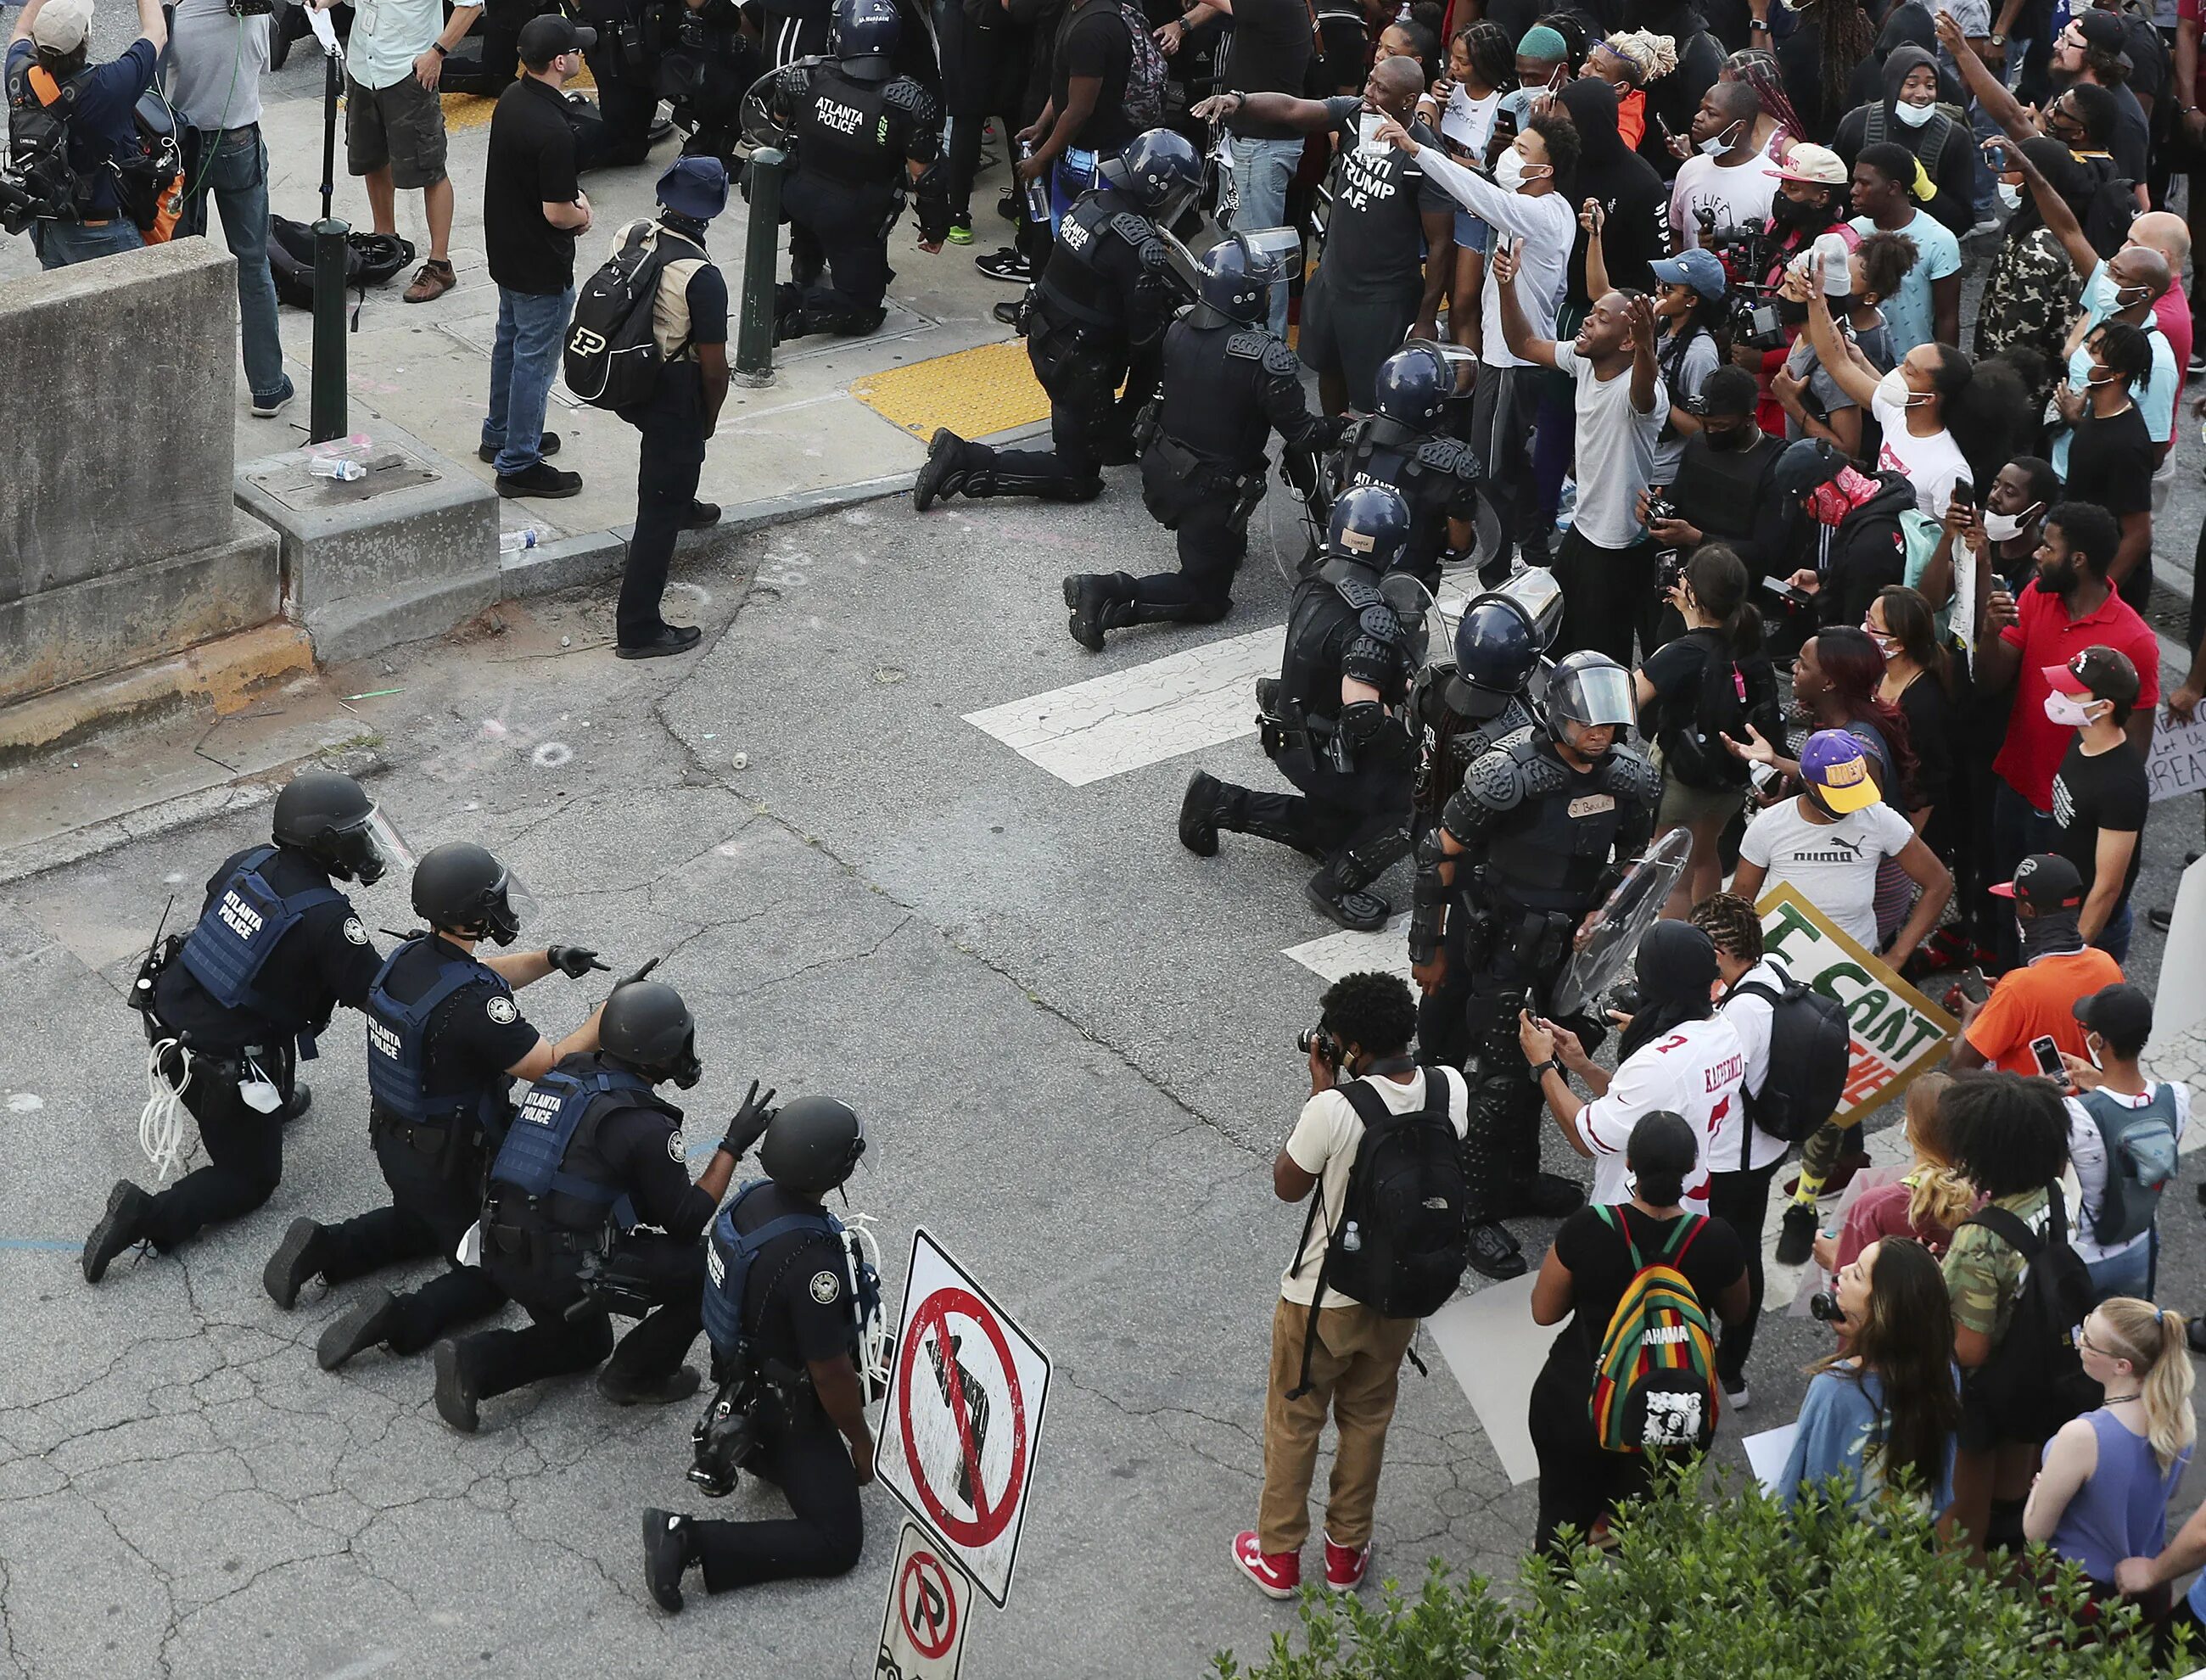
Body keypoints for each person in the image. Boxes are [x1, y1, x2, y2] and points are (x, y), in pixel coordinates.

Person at [268, 843, 608, 1369]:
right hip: (451, 1162)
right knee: (489, 1276)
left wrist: (549, 960)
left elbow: (482, 971)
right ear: (471, 914)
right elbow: (548, 1063)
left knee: (424, 1222)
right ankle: (400, 1318)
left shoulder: (409, 959)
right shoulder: (473, 1007)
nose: (503, 909)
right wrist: (604, 1019)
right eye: (493, 902)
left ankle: (325, 1248)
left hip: (396, 1142)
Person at [81, 773, 395, 1283]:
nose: (363, 843)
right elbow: (376, 994)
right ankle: (147, 1215)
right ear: (325, 843)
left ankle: (270, 1105)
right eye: (352, 832)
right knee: (249, 1180)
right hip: (216, 1070)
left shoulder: (246, 862)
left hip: (169, 1026)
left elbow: (245, 956)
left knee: (275, 1003)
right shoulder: (330, 919)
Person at [1412, 652, 1660, 1277]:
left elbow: (1636, 859)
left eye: (1609, 723)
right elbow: (1438, 853)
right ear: (1557, 717)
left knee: (1543, 1068)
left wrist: (1605, 911)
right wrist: (1429, 948)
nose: (1600, 734)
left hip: (1570, 952)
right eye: (1588, 723)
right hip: (1503, 945)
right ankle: (1468, 1211)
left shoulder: (1630, 777)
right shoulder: (1505, 775)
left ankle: (1517, 1181)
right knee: (1498, 1081)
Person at [432, 980, 767, 1431]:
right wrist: (732, 1145)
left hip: (502, 1245)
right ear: (657, 1057)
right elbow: (685, 1220)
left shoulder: (569, 1071)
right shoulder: (645, 1125)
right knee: (713, 1266)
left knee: (586, 1345)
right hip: (558, 1264)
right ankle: (638, 1375)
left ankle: (473, 1362)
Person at [1230, 972, 1470, 1598]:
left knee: (1294, 1420)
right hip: (1399, 1294)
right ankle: (1345, 1554)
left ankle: (1278, 1556)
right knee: (1366, 1421)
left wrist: (1320, 1092)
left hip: (1322, 1299)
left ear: (1350, 1046)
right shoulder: (1450, 1089)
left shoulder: (1334, 1109)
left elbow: (1288, 1184)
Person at [641, 1097, 880, 1608]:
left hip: (738, 1385)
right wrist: (859, 1440)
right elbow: (831, 1375)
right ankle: (687, 1538)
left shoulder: (751, 1201)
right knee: (838, 1542)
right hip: (786, 1409)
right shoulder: (813, 1262)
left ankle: (755, 1452)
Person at [1063, 233, 1339, 647]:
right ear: (1246, 297)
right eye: (1262, 285)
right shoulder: (1265, 358)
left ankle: (1224, 547)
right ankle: (1105, 592)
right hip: (1207, 495)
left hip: (1162, 469)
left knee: (1221, 536)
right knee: (1209, 598)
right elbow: (1303, 433)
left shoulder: (1178, 328)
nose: (1268, 291)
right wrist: (1347, 426)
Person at [1180, 487, 1425, 932]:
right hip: (1327, 750)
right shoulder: (1370, 621)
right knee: (1416, 803)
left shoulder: (1318, 577)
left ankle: (1217, 802)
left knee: (1336, 830)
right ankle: (1335, 887)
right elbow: (1363, 711)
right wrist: (1409, 751)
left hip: (1293, 731)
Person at [915, 128, 1199, 507]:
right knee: (1077, 477)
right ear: (1158, 189)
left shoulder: (1094, 203)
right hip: (1077, 366)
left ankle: (1111, 438)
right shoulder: (1137, 247)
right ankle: (964, 460)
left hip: (1049, 337)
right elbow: (1146, 339)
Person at [1526, 1110, 1750, 1551]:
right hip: (1671, 1407)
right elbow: (1738, 1313)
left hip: (1579, 1403)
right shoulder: (1716, 1238)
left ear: (1630, 1164)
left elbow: (1544, 1311)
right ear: (1691, 1168)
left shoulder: (1589, 1228)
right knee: (1647, 1524)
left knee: (1560, 1524)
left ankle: (1560, 1603)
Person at [1372, 106, 1580, 565]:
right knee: (1508, 458)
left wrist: (1416, 149)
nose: (1509, 153)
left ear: (1543, 170)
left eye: (1521, 150)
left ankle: (1496, 565)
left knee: (1488, 470)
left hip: (1510, 363)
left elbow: (1480, 193)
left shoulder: (1534, 214)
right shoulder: (1558, 208)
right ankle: (1536, 541)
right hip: (1514, 358)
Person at [1198, 63, 1455, 415]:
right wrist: (1239, 100)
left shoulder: (1425, 159)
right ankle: (1333, 447)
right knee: (1329, 373)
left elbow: (1441, 243)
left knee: (1372, 399)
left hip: (1381, 301)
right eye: (1369, 81)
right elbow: (1292, 109)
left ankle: (1359, 460)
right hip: (1333, 282)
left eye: (1380, 89)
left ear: (1408, 100)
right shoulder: (1353, 115)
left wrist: (1426, 318)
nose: (1368, 91)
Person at [1404, 567, 1566, 1067]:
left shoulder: (1433, 686)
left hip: (1428, 824)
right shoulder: (1515, 738)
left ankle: (1438, 1055)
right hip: (1474, 863)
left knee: (1449, 975)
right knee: (1462, 972)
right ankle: (1447, 1065)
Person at [1974, 501, 2161, 921]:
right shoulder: (2037, 598)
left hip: (2067, 812)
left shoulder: (2135, 641)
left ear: (2077, 561)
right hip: (2015, 784)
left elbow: (2135, 748)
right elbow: (1990, 682)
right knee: (2008, 904)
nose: (2037, 554)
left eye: (2048, 547)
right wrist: (1989, 632)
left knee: (2048, 919)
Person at [1492, 252, 1664, 666]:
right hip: (1584, 533)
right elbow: (1524, 344)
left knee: (1600, 659)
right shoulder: (1584, 361)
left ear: (1627, 341)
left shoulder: (1643, 390)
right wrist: (1506, 285)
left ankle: (1611, 731)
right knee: (1556, 641)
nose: (1588, 319)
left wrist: (1646, 347)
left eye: (1603, 318)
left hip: (1617, 544)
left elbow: (1643, 392)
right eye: (1592, 312)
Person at [1939, 1069, 2076, 1558]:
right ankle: (2013, 1567)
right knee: (2014, 1493)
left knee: (1962, 1515)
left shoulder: (1980, 1237)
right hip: (2037, 1371)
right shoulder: (2053, 1196)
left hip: (1986, 1392)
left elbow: (1969, 1346)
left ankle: (1965, 1596)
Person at [1520, 921, 1748, 1214]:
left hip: (1636, 1219)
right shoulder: (1725, 1031)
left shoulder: (1660, 1065)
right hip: (1691, 1202)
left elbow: (1586, 1139)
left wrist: (1543, 1064)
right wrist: (1583, 1065)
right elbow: (1646, 1103)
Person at [605, 157, 731, 660]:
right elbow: (715, 367)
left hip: (633, 373)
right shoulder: (704, 276)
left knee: (673, 467)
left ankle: (682, 501)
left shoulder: (631, 234)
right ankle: (639, 629)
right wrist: (710, 417)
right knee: (656, 510)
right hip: (675, 388)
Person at [769, 0, 949, 344]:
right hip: (853, 215)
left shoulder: (805, 75)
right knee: (866, 310)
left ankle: (806, 261)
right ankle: (790, 305)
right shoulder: (905, 102)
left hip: (799, 197)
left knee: (811, 172)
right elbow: (926, 178)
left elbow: (777, 125)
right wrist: (935, 228)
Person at [1688, 892, 1796, 1409]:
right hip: (1769, 1144)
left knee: (1726, 1258)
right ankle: (1731, 1368)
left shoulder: (1741, 1013)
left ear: (1719, 952)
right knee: (1743, 1249)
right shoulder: (1773, 971)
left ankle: (1724, 1370)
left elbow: (1713, 1079)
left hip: (1735, 1156)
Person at [478, 15, 593, 501]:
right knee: (536, 360)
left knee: (510, 343)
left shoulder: (513, 98)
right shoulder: (555, 131)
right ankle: (519, 461)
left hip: (506, 249)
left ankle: (500, 432)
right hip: (540, 262)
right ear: (560, 62)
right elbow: (558, 212)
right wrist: (584, 214)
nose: (582, 56)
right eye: (576, 51)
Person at [2024, 1297, 2196, 1616]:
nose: (2078, 1343)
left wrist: (2040, 1486)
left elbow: (2036, 1532)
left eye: (2088, 1341)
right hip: (2145, 1587)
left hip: (2078, 1593)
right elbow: (2168, 1491)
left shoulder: (2083, 1436)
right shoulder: (2178, 1414)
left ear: (2122, 1366)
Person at [1635, 547, 1782, 914]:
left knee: (1672, 875)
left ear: (1695, 595)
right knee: (1705, 855)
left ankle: (1675, 960)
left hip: (1683, 782)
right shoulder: (1749, 640)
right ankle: (1709, 942)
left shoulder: (1682, 652)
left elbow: (1627, 699)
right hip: (1731, 779)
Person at [163, 0, 289, 416]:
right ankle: (268, 385)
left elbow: (157, 84)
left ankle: (184, 386)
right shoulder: (255, 18)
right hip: (239, 142)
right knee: (253, 267)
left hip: (186, 148)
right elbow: (262, 68)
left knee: (184, 268)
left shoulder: (178, 17)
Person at [1731, 729, 1953, 963]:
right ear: (1808, 782)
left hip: (1855, 969)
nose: (1849, 806)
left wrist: (1897, 956)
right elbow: (1738, 904)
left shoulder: (1877, 818)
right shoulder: (1770, 825)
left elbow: (1938, 884)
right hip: (1784, 967)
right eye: (1838, 795)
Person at [312, 0, 479, 304]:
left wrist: (437, 53)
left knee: (430, 168)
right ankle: (385, 242)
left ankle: (440, 265)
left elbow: (471, 5)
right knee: (372, 159)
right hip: (364, 67)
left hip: (410, 69)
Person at [1780, 1237, 1961, 1515]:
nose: (1841, 1272)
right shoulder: (1944, 1370)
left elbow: (1801, 1488)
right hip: (1911, 1537)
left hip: (1844, 1549)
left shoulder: (1833, 1389)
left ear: (1881, 1309)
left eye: (1857, 1275)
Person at [4, 0, 163, 271]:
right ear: (85, 37)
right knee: (134, 311)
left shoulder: (18, 74)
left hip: (49, 225)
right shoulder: (107, 85)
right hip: (101, 229)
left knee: (65, 309)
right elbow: (156, 31)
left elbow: (20, 29)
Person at [2062, 984, 2189, 1303]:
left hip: (2085, 1256)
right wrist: (2101, 1082)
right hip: (2139, 1245)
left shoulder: (2075, 1114)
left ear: (2098, 1041)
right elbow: (2131, 1107)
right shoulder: (2176, 1097)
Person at [1951, 853, 2124, 1072]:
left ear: (2028, 910)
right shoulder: (2107, 964)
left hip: (2029, 1104)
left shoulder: (2018, 987)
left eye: (2016, 903)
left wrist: (1969, 1020)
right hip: (2087, 1098)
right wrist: (2005, 1004)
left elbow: (1961, 1070)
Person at [1206, 0, 1314, 338]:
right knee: (1245, 250)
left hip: (1260, 149)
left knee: (1258, 260)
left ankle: (1267, 350)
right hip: (1250, 145)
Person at [1810, 1070, 1977, 1271]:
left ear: (1911, 1130)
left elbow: (1851, 1291)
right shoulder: (1985, 1194)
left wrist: (1835, 1259)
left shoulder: (1876, 1206)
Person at [1651, 368, 1795, 594]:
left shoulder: (1776, 465)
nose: (1710, 432)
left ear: (1749, 419)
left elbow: (1765, 554)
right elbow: (1676, 503)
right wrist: (1658, 513)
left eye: (1721, 426)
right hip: (1688, 583)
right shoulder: (1698, 445)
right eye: (1705, 424)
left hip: (1740, 594)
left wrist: (1699, 539)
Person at [2046, 647, 2150, 960]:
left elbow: (2107, 889)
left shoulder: (2122, 787)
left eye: (2071, 691)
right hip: (2057, 909)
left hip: (2088, 929)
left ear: (2104, 706)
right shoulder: (2082, 738)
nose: (2058, 694)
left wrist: (2070, 955)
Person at [1770, 231, 1910, 458]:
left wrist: (1791, 404)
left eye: (1792, 289)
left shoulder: (1829, 370)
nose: (1780, 294)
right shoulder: (1806, 335)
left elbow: (1848, 451)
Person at [2057, 322, 2160, 615]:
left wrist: (2097, 597)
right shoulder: (2098, 408)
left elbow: (2139, 535)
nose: (2083, 354)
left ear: (2117, 374)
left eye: (2094, 352)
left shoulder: (2127, 446)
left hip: (2101, 588)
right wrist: (2077, 419)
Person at [1767, 440, 1921, 634]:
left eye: (1805, 502)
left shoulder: (1869, 547)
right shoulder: (1884, 495)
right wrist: (1822, 578)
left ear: (1822, 492)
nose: (1806, 511)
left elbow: (1856, 633)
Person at [1832, 44, 1977, 237]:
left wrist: (1927, 191)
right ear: (1893, 84)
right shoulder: (1856, 125)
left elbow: (1962, 221)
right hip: (1861, 240)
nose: (1922, 94)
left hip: (1925, 245)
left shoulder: (1954, 138)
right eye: (1911, 84)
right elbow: (1835, 197)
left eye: (1930, 86)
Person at [1020, 0, 1140, 220]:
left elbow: (1079, 110)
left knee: (1081, 242)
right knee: (1063, 239)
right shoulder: (1076, 9)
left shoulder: (1092, 28)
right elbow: (1066, 82)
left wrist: (1041, 159)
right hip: (1071, 149)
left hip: (1093, 160)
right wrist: (1042, 124)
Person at [1845, 141, 1962, 355]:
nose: (1854, 191)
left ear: (1893, 188)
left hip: (1911, 368)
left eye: (1864, 183)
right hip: (1855, 360)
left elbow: (1947, 317)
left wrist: (1941, 376)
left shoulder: (1939, 239)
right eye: (1855, 182)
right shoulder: (1851, 232)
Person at [1638, 247, 1727, 489]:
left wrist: (1657, 394)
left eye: (1668, 288)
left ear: (1692, 301)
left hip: (1664, 476)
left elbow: (1702, 430)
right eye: (1660, 282)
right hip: (1637, 459)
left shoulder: (1700, 354)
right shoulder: (1659, 324)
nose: (1658, 289)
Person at [1670, 81, 1774, 247]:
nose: (1698, 117)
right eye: (1701, 109)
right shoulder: (1689, 169)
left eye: (1711, 113)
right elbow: (1676, 233)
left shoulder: (1771, 181)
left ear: (1738, 126)